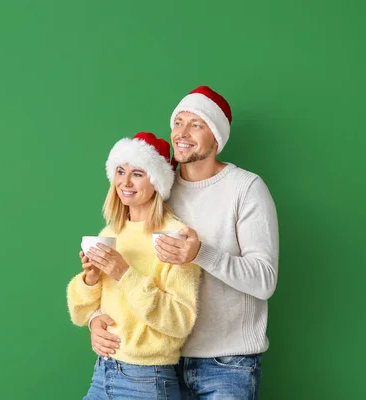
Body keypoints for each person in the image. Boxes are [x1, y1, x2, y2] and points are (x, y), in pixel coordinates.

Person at [88, 86, 279, 399]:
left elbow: (265, 280)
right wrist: (96, 320)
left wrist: (201, 253)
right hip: (159, 365)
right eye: (178, 122)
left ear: (216, 137)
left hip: (227, 365)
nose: (181, 133)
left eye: (196, 124)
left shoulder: (246, 189)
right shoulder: (158, 186)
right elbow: (125, 254)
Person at [67, 132, 202, 400]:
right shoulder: (111, 231)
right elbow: (80, 313)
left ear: (157, 181)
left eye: (138, 173)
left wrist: (124, 273)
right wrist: (91, 281)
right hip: (103, 372)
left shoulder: (176, 237)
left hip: (146, 381)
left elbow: (179, 321)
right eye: (120, 171)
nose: (125, 182)